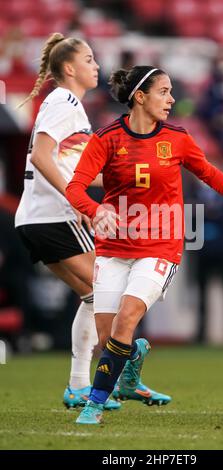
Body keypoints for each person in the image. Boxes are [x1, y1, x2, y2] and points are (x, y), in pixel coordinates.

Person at [65, 65, 223, 425]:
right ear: (139, 97)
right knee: (111, 339)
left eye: (172, 92)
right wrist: (96, 211)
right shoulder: (107, 138)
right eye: (164, 92)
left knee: (126, 320)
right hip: (113, 247)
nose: (172, 100)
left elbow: (208, 172)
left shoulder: (178, 138)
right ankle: (131, 367)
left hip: (160, 246)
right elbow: (75, 187)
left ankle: (94, 405)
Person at [15, 34, 169, 412]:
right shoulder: (64, 100)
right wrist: (79, 200)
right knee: (108, 298)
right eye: (88, 59)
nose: (96, 65)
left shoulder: (71, 107)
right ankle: (120, 377)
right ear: (69, 68)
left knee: (94, 297)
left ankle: (80, 385)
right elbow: (40, 156)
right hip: (54, 216)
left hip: (41, 217)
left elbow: (76, 169)